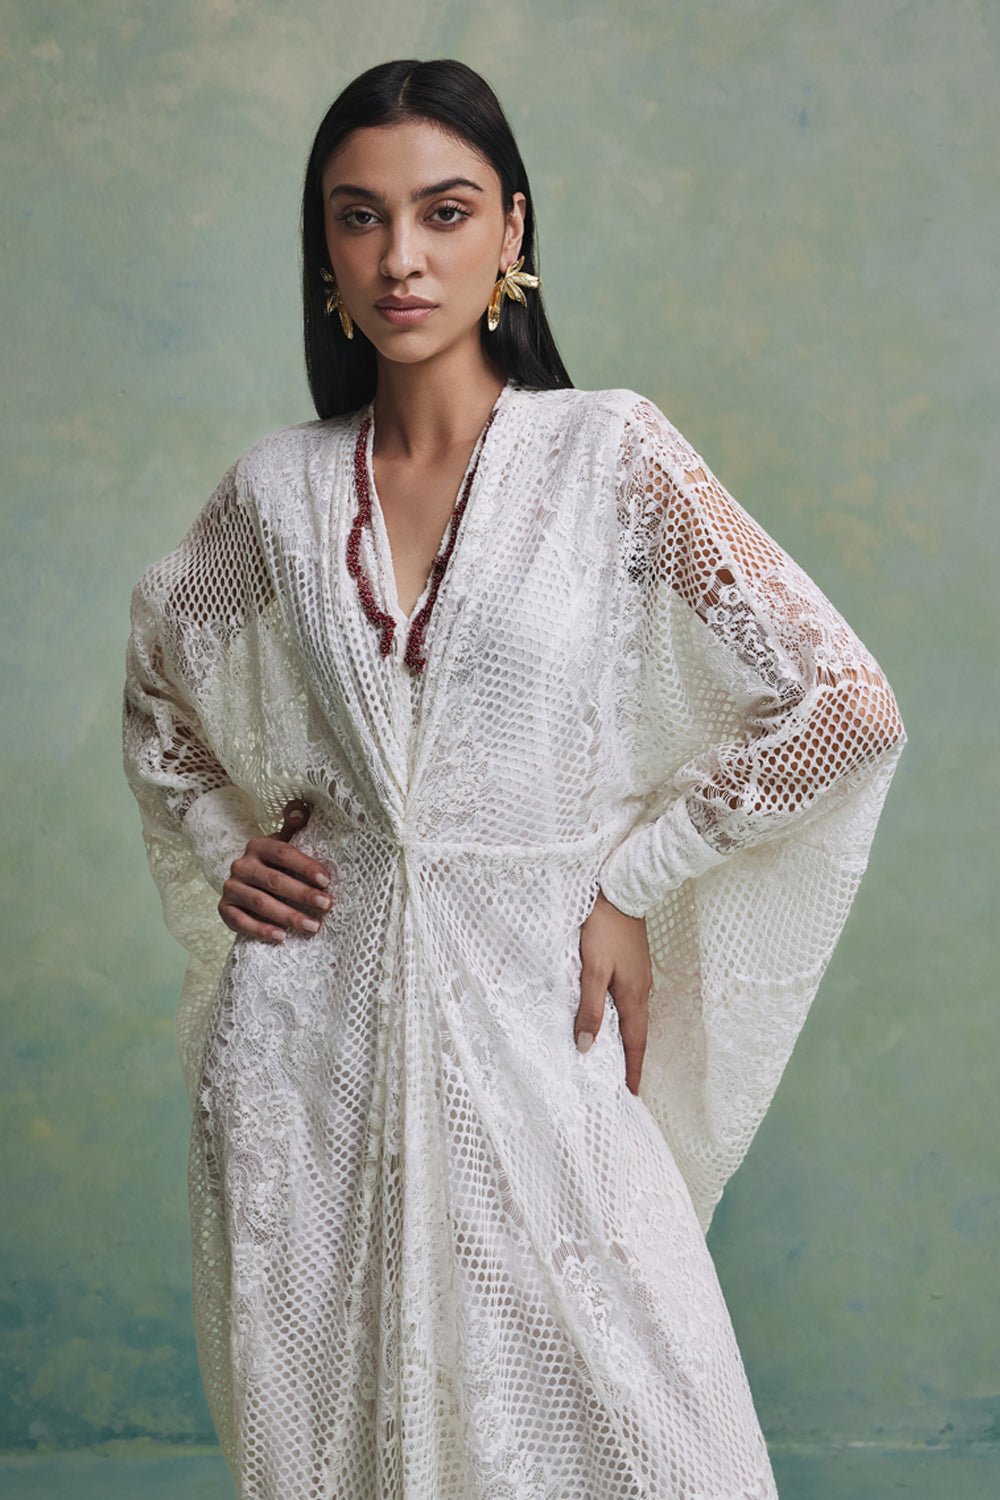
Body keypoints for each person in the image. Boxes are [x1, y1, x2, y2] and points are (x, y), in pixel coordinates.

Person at [123, 57, 907, 1500]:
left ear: (512, 231)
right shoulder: (277, 491)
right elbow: (161, 689)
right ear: (324, 251)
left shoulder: (607, 455)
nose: (400, 258)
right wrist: (227, 837)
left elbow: (839, 702)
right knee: (337, 1421)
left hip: (541, 999)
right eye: (358, 217)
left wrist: (633, 879)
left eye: (445, 211)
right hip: (309, 1040)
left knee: (651, 1419)